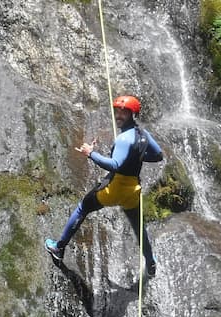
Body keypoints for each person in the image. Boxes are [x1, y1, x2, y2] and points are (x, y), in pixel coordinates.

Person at [45, 95, 163, 277]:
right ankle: (150, 262)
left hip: (114, 189)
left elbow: (115, 165)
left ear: (133, 114)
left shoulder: (123, 139)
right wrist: (136, 156)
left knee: (83, 207)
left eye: (124, 111)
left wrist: (91, 153)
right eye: (118, 110)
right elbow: (157, 156)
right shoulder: (143, 135)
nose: (119, 114)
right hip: (132, 191)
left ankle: (59, 248)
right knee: (139, 228)